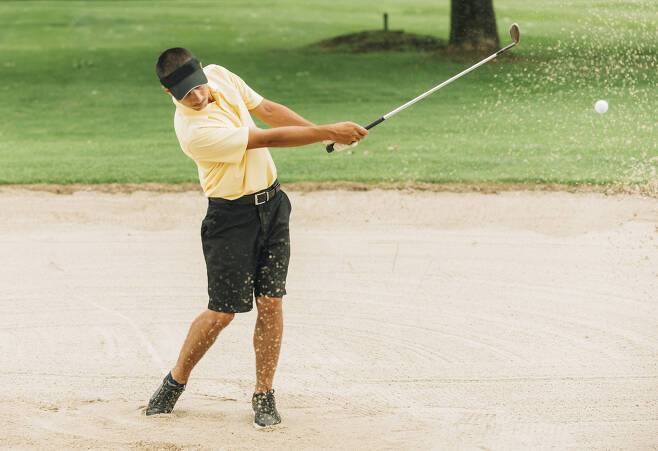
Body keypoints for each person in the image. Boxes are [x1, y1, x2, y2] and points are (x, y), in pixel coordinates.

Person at [145, 47, 367, 428]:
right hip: (231, 219)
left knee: (271, 303)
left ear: (203, 72)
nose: (197, 96)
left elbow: (268, 110)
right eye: (185, 94)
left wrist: (320, 135)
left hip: (273, 207)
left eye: (198, 86)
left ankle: (264, 394)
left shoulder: (220, 74)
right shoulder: (194, 132)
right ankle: (176, 379)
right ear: (169, 93)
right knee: (222, 313)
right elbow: (267, 138)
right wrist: (329, 131)